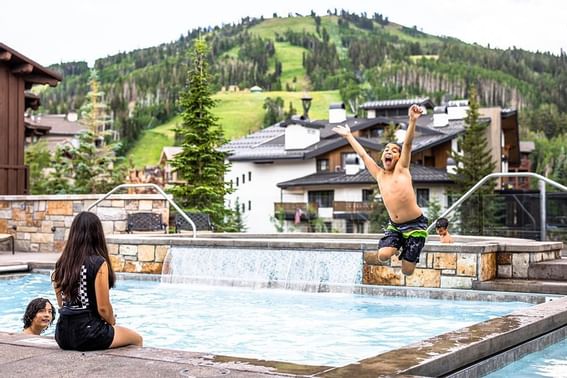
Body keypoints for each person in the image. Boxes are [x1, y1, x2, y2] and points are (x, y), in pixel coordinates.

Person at [333, 104, 427, 275]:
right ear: (383, 157)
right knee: (383, 255)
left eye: (393, 151)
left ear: (399, 158)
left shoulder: (402, 169)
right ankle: (398, 244)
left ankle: (408, 246)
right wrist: (348, 136)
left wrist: (412, 121)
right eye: (386, 150)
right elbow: (363, 155)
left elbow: (407, 144)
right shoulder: (379, 174)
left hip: (416, 225)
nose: (389, 152)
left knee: (407, 271)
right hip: (395, 226)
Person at [52, 211, 143, 351]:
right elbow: (103, 308)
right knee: (137, 339)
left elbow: (62, 303)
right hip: (89, 334)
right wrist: (112, 321)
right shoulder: (98, 263)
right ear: (97, 234)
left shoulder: (62, 263)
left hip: (62, 335)